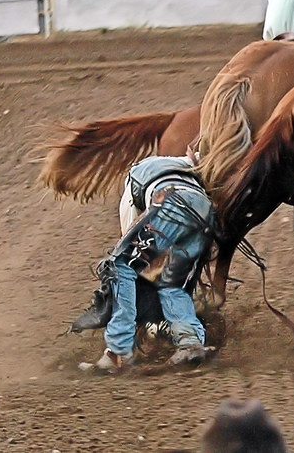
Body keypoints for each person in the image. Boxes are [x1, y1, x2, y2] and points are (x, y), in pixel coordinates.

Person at [84, 155, 217, 373]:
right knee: (173, 283)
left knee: (119, 266)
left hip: (172, 201)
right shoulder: (186, 164)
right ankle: (190, 344)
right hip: (205, 210)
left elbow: (128, 237)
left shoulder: (133, 180)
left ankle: (118, 352)